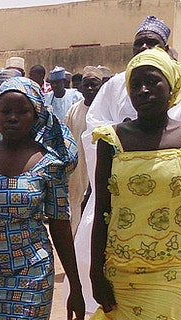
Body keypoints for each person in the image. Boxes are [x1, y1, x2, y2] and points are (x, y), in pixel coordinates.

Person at [74, 16, 181, 313]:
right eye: (136, 84)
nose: (143, 90)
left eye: (151, 42)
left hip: (168, 255)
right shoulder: (112, 126)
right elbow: (103, 202)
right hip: (121, 254)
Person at [0, 77, 85, 319]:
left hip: (33, 271)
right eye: (6, 111)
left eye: (22, 112)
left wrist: (75, 284)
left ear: (36, 116)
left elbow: (60, 223)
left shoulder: (49, 164)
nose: (12, 117)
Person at [64, 66, 104, 236]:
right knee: (76, 207)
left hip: (98, 167)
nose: (89, 88)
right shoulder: (74, 110)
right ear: (80, 87)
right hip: (77, 170)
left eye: (93, 85)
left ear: (100, 87)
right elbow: (65, 137)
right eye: (86, 85)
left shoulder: (104, 110)